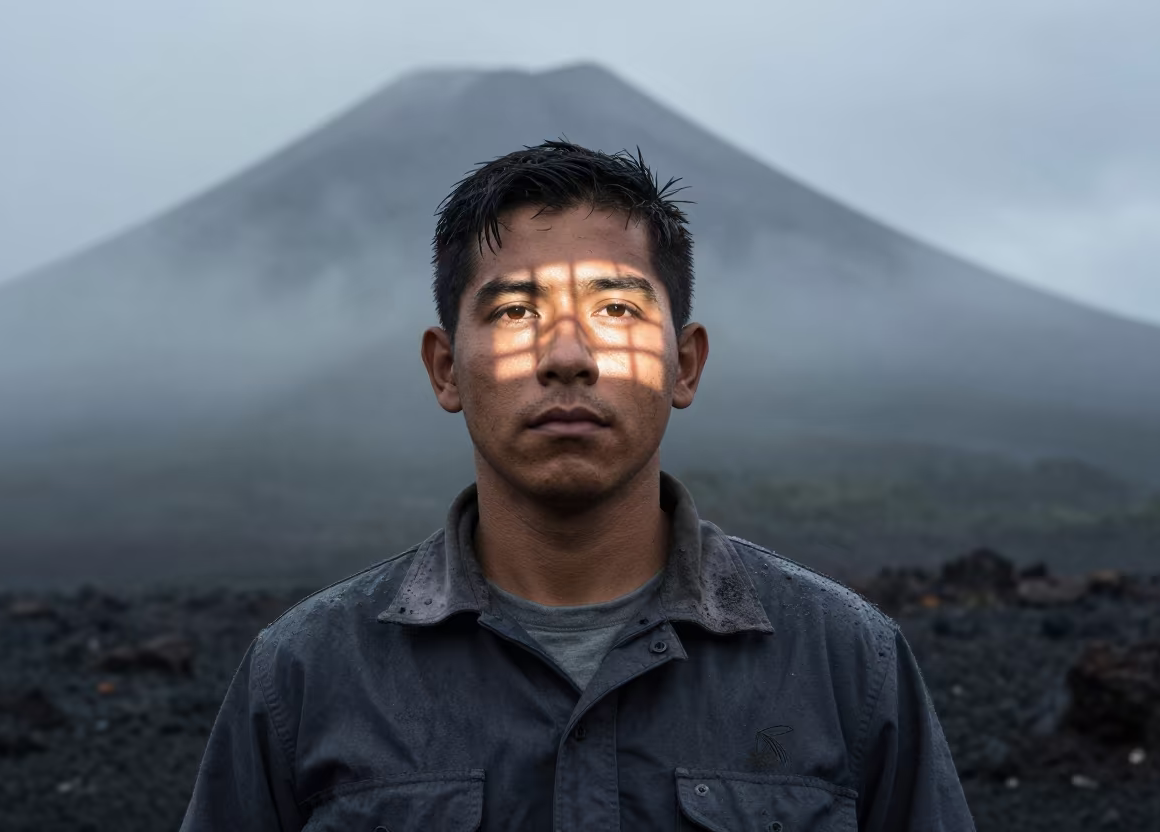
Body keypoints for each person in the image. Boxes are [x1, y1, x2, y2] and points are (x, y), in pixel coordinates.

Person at [180, 139, 974, 831]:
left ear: (684, 365)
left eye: (618, 308)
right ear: (446, 368)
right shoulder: (305, 674)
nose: (567, 356)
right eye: (517, 311)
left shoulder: (846, 665)